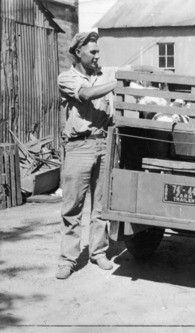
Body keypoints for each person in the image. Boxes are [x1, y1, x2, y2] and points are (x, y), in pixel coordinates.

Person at [55, 32, 117, 279]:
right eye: (92, 52)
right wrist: (117, 83)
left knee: (100, 206)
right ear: (78, 53)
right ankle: (68, 259)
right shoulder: (66, 78)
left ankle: (98, 252)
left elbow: (131, 71)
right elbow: (88, 95)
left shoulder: (105, 75)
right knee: (72, 206)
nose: (97, 55)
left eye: (98, 51)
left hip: (104, 144)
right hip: (78, 147)